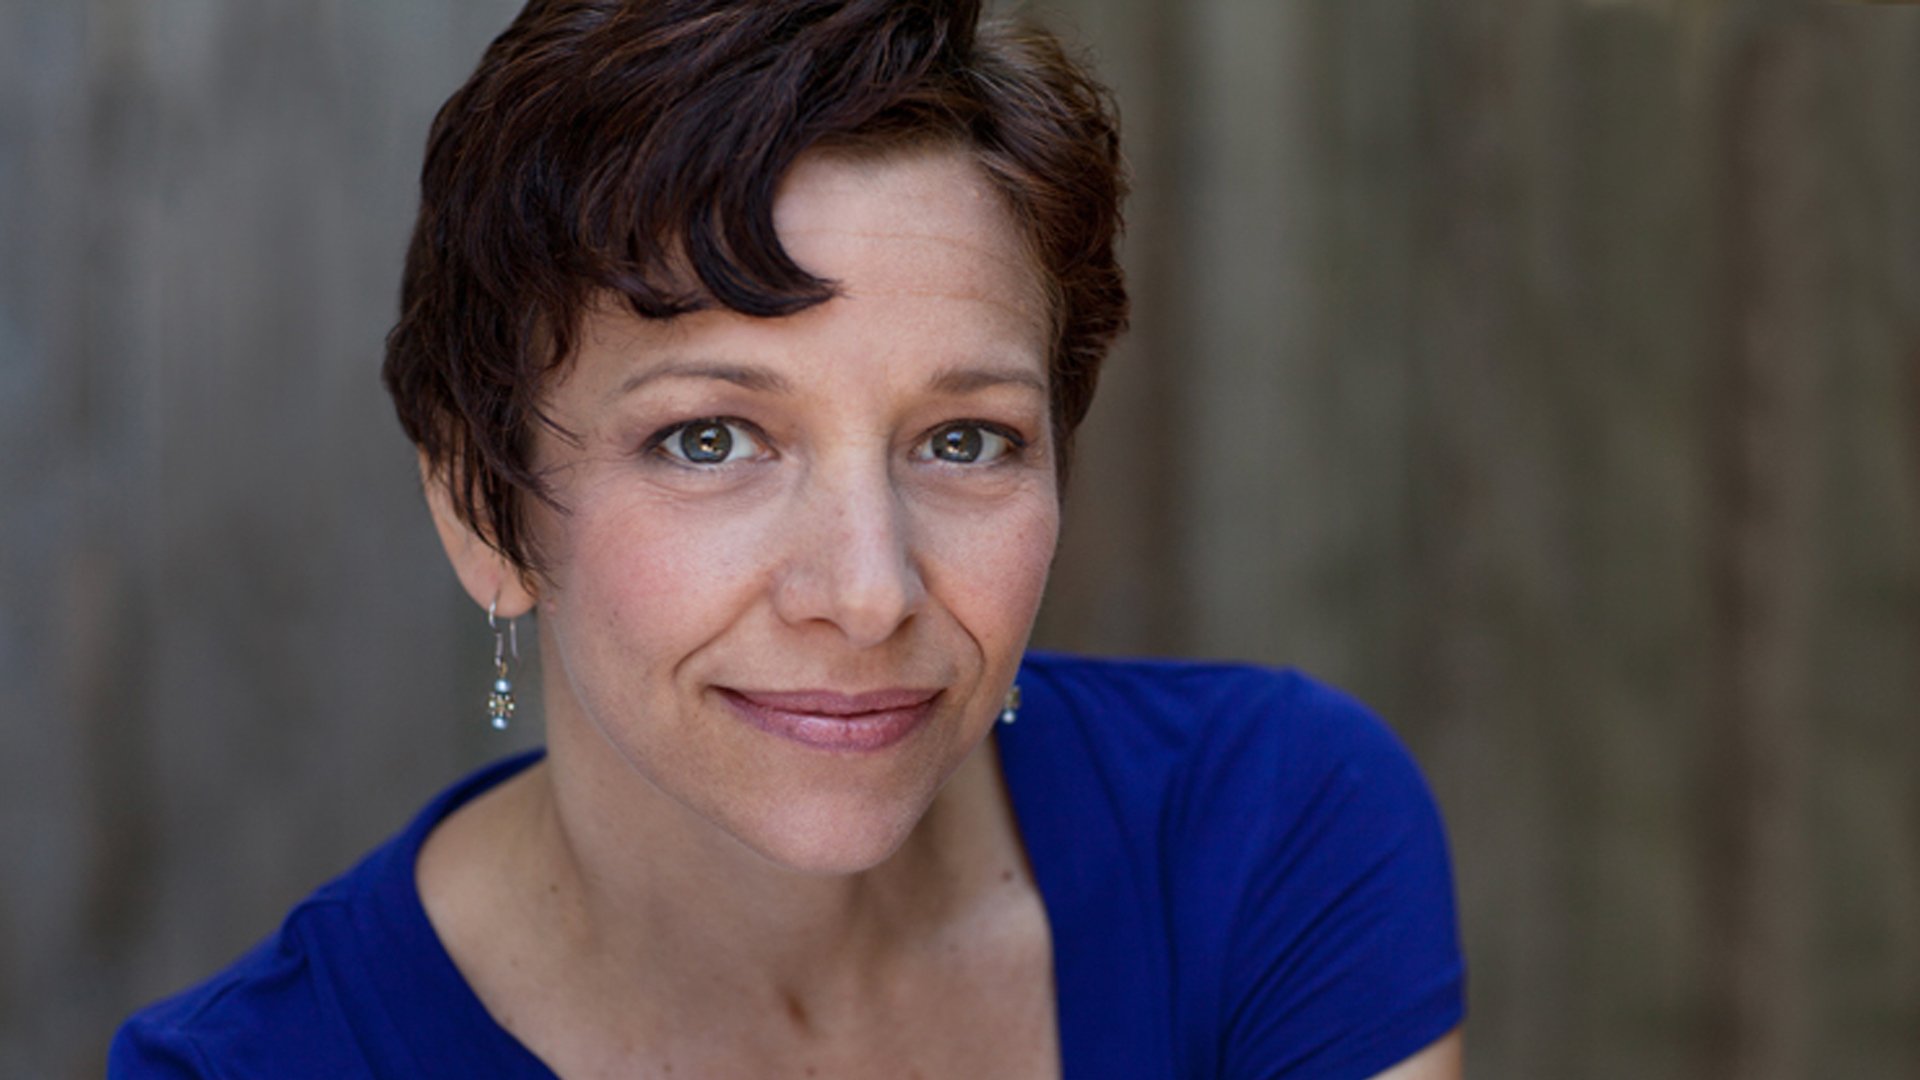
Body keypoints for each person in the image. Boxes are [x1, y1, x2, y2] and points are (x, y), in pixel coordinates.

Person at [111, 0, 1465, 1076]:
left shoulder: (1272, 836)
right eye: (711, 440)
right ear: (481, 508)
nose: (869, 593)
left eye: (965, 438)